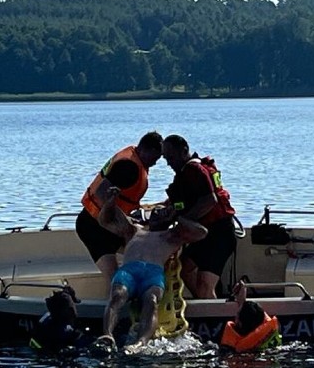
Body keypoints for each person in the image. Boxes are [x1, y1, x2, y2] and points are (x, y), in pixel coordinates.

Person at [95, 186, 207, 351]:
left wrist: (178, 216)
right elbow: (105, 220)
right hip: (129, 271)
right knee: (117, 295)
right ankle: (107, 335)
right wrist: (111, 201)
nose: (157, 213)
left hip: (152, 274)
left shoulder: (172, 236)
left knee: (151, 301)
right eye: (155, 211)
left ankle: (140, 343)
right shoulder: (134, 229)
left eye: (162, 212)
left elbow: (201, 232)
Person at [76, 131, 164, 283]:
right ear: (145, 149)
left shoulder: (135, 159)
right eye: (155, 158)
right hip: (93, 226)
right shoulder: (129, 166)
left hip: (109, 225)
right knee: (115, 277)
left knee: (143, 254)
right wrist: (126, 222)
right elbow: (102, 193)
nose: (155, 163)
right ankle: (118, 303)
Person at [161, 134, 237, 298]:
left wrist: (185, 220)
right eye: (166, 159)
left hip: (219, 234)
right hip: (205, 235)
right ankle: (206, 303)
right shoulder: (186, 172)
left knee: (205, 285)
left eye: (171, 157)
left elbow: (210, 200)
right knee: (183, 270)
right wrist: (162, 206)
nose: (169, 163)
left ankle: (213, 315)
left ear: (184, 151)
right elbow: (187, 196)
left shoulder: (194, 169)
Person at [220, 280, 282, 352]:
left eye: (237, 315)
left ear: (239, 323)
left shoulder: (234, 350)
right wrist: (242, 300)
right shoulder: (272, 330)